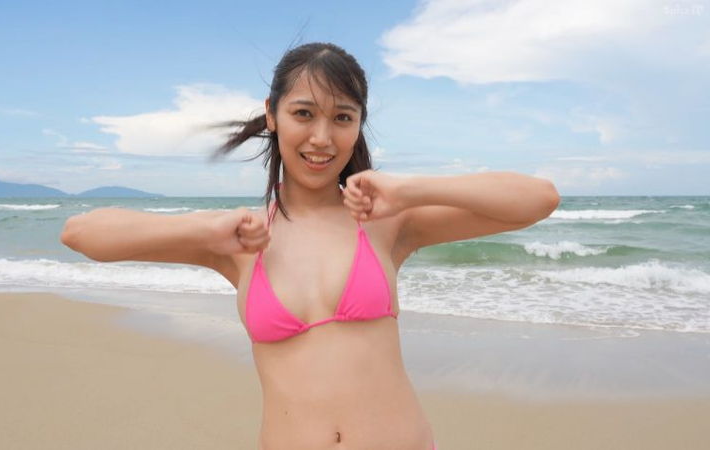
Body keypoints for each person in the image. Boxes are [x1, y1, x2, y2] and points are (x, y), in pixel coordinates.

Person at [61, 42, 560, 450]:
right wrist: (200, 233)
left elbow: (538, 199)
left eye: (342, 118)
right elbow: (83, 234)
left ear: (358, 125)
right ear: (272, 115)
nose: (322, 137)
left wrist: (411, 189)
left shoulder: (386, 222)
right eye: (304, 113)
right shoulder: (236, 237)